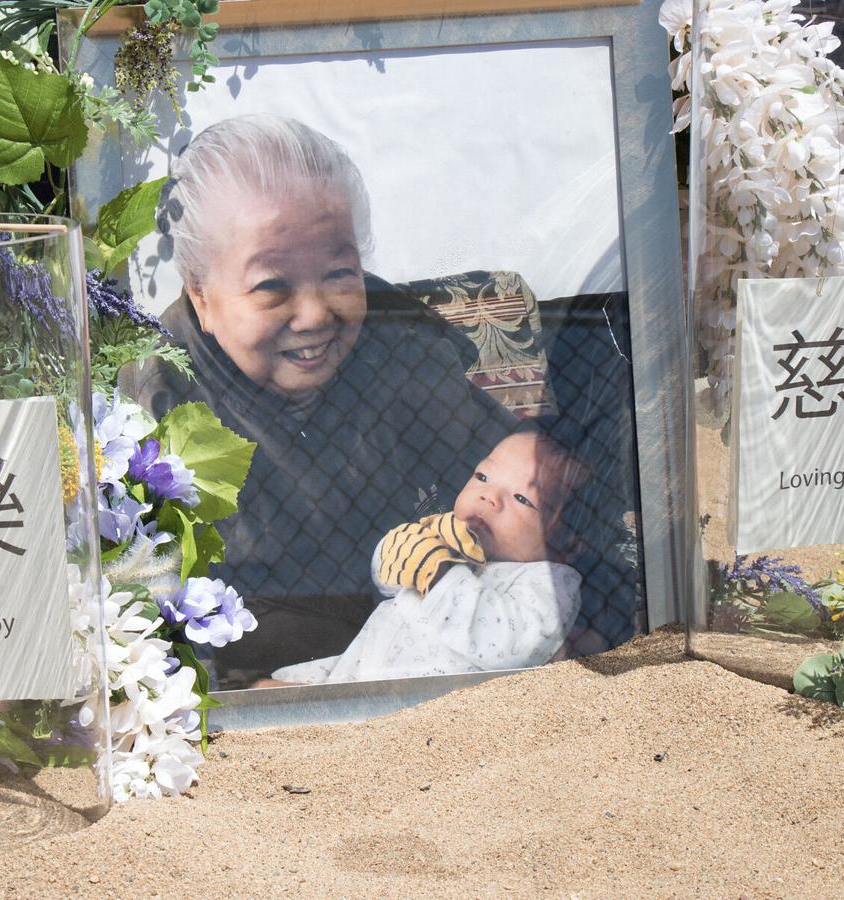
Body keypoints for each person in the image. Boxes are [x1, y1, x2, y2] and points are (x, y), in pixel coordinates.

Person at [120, 114, 519, 683]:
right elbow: (142, 621)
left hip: (419, 665)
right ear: (201, 295)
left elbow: (521, 484)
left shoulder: (401, 349)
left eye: (339, 274)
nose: (314, 315)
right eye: (271, 286)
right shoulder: (155, 403)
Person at [271, 429, 583, 683]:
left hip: (429, 703)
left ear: (567, 543)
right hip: (365, 665)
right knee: (284, 685)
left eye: (521, 498)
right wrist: (401, 551)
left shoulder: (551, 581)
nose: (489, 497)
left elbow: (508, 646)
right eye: (483, 477)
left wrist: (440, 573)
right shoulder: (448, 536)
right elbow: (390, 580)